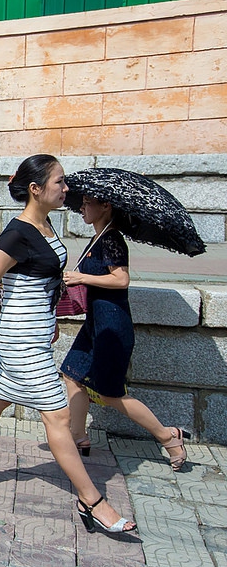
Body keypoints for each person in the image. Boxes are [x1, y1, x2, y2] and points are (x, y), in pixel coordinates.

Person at [0, 154, 137, 535]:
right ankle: (92, 500)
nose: (67, 189)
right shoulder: (16, 234)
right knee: (59, 416)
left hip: (35, 332)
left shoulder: (46, 224)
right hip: (19, 338)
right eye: (60, 182)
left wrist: (49, 319)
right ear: (36, 189)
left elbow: (45, 280)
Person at [61, 194, 189, 471]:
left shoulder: (111, 239)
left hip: (112, 327)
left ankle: (168, 436)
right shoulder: (97, 239)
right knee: (72, 375)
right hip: (96, 324)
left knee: (109, 393)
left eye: (87, 202)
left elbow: (121, 279)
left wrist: (82, 277)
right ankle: (78, 435)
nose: (82, 207)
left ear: (106, 206)